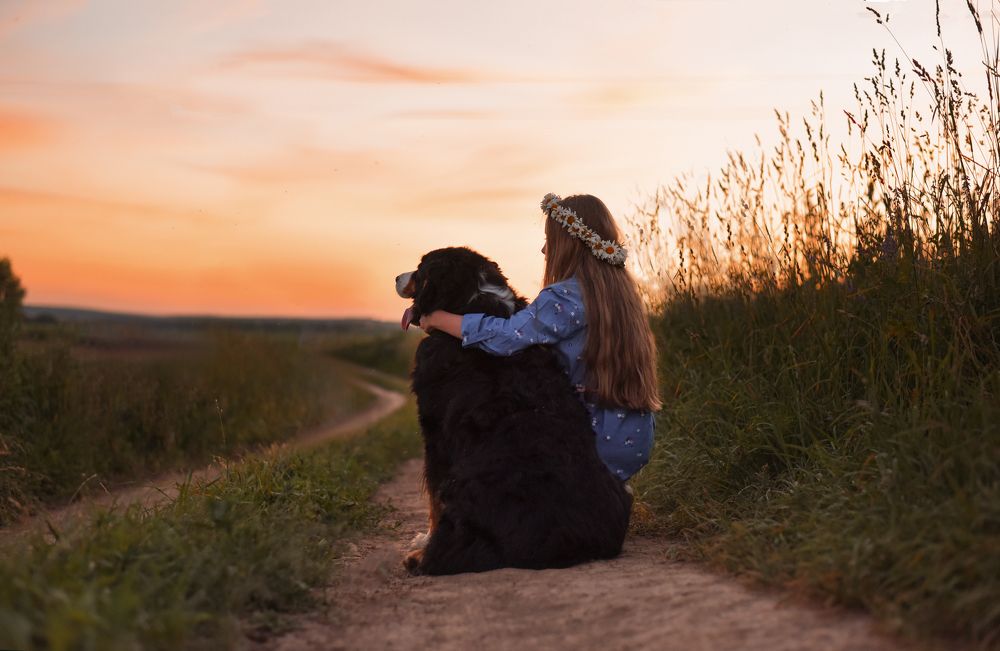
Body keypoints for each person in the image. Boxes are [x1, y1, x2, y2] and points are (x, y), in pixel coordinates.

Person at [417, 193, 661, 481]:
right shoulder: (620, 293)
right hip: (633, 435)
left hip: (592, 439)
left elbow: (507, 337)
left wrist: (439, 319)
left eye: (550, 240)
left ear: (568, 244)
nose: (544, 250)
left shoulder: (565, 296)